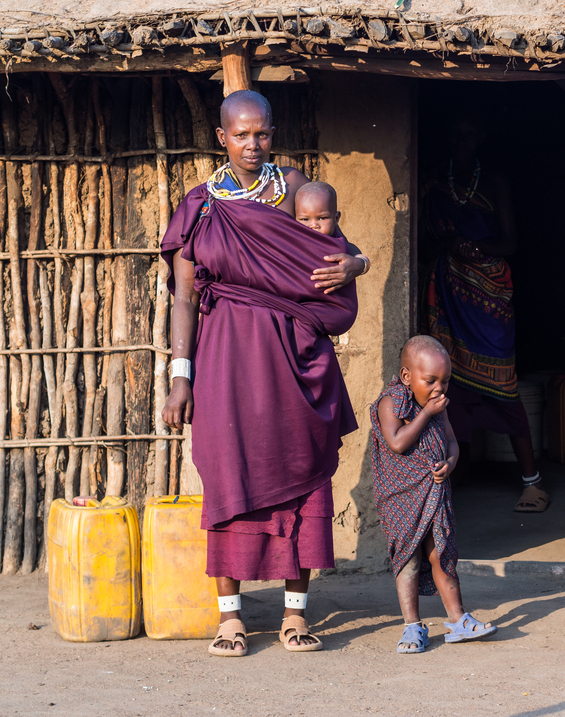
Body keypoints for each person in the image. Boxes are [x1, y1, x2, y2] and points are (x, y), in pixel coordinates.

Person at [161, 90, 367, 657]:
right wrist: (182, 375)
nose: (254, 145)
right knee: (228, 472)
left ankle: (295, 614)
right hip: (225, 357)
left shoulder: (297, 187)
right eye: (242, 134)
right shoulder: (200, 207)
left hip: (295, 359)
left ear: (273, 133)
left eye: (264, 133)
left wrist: (358, 263)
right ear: (222, 137)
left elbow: (338, 248)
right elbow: (182, 297)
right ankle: (230, 618)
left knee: (301, 470)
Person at [420, 117, 547, 513]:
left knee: (503, 385)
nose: (461, 139)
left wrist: (475, 249)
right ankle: (458, 472)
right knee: (449, 386)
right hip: (447, 292)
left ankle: (532, 482)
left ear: (481, 137)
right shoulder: (434, 181)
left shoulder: (493, 181)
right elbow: (424, 236)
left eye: (469, 133)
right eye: (456, 133)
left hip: (489, 295)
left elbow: (510, 241)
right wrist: (451, 244)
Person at [370, 335, 498, 653]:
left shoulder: (437, 407)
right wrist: (426, 413)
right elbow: (397, 442)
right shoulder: (391, 403)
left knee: (441, 554)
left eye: (446, 381)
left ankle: (457, 620)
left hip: (433, 493)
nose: (439, 388)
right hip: (401, 500)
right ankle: (412, 627)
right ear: (406, 376)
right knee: (409, 560)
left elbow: (452, 443)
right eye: (431, 380)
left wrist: (450, 464)